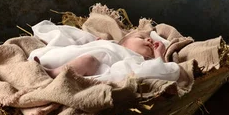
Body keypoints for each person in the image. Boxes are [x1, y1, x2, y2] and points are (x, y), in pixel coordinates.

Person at [28, 20, 181, 83]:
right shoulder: (110, 44)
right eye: (142, 37)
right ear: (124, 42)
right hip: (72, 56)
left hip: (94, 69)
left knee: (87, 61)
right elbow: (77, 40)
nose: (149, 41)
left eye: (151, 43)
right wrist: (98, 43)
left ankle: (52, 74)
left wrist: (158, 56)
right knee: (74, 55)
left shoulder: (136, 60)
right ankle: (48, 66)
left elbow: (161, 72)